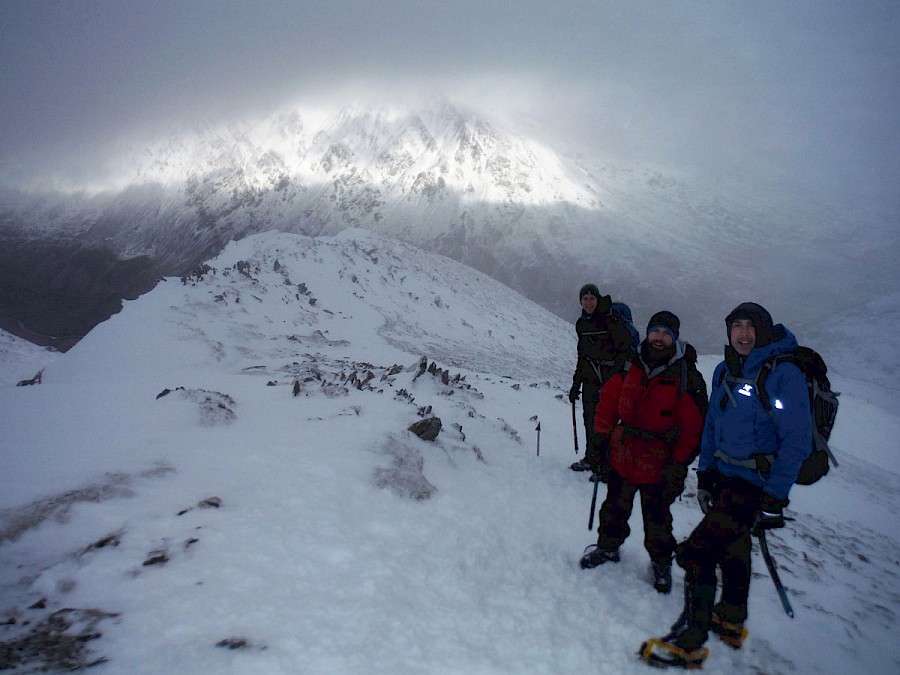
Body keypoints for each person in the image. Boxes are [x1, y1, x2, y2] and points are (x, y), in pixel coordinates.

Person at [643, 302, 812, 668]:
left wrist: (776, 494)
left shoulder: (783, 375)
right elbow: (712, 429)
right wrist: (705, 474)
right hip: (724, 478)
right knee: (735, 551)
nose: (744, 333)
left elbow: (796, 439)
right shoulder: (724, 371)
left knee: (697, 554)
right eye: (737, 325)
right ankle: (730, 620)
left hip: (756, 485)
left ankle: (690, 640)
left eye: (751, 326)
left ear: (763, 331)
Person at [579, 311, 707, 594]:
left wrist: (679, 465)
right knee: (613, 509)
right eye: (655, 332)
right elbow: (608, 405)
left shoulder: (686, 375)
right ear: (647, 333)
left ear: (674, 338)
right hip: (622, 456)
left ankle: (661, 564)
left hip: (659, 464)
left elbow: (693, 429)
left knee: (658, 520)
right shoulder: (629, 366)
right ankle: (607, 548)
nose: (659, 338)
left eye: (665, 334)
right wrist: (599, 444)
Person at [568, 284, 634, 479]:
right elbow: (582, 357)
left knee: (607, 422)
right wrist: (575, 384)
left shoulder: (610, 320)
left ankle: (606, 465)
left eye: (592, 298)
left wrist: (613, 381)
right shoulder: (581, 324)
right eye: (585, 299)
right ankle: (591, 458)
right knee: (589, 420)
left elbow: (624, 352)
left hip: (609, 379)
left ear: (598, 300)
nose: (588, 302)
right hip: (590, 379)